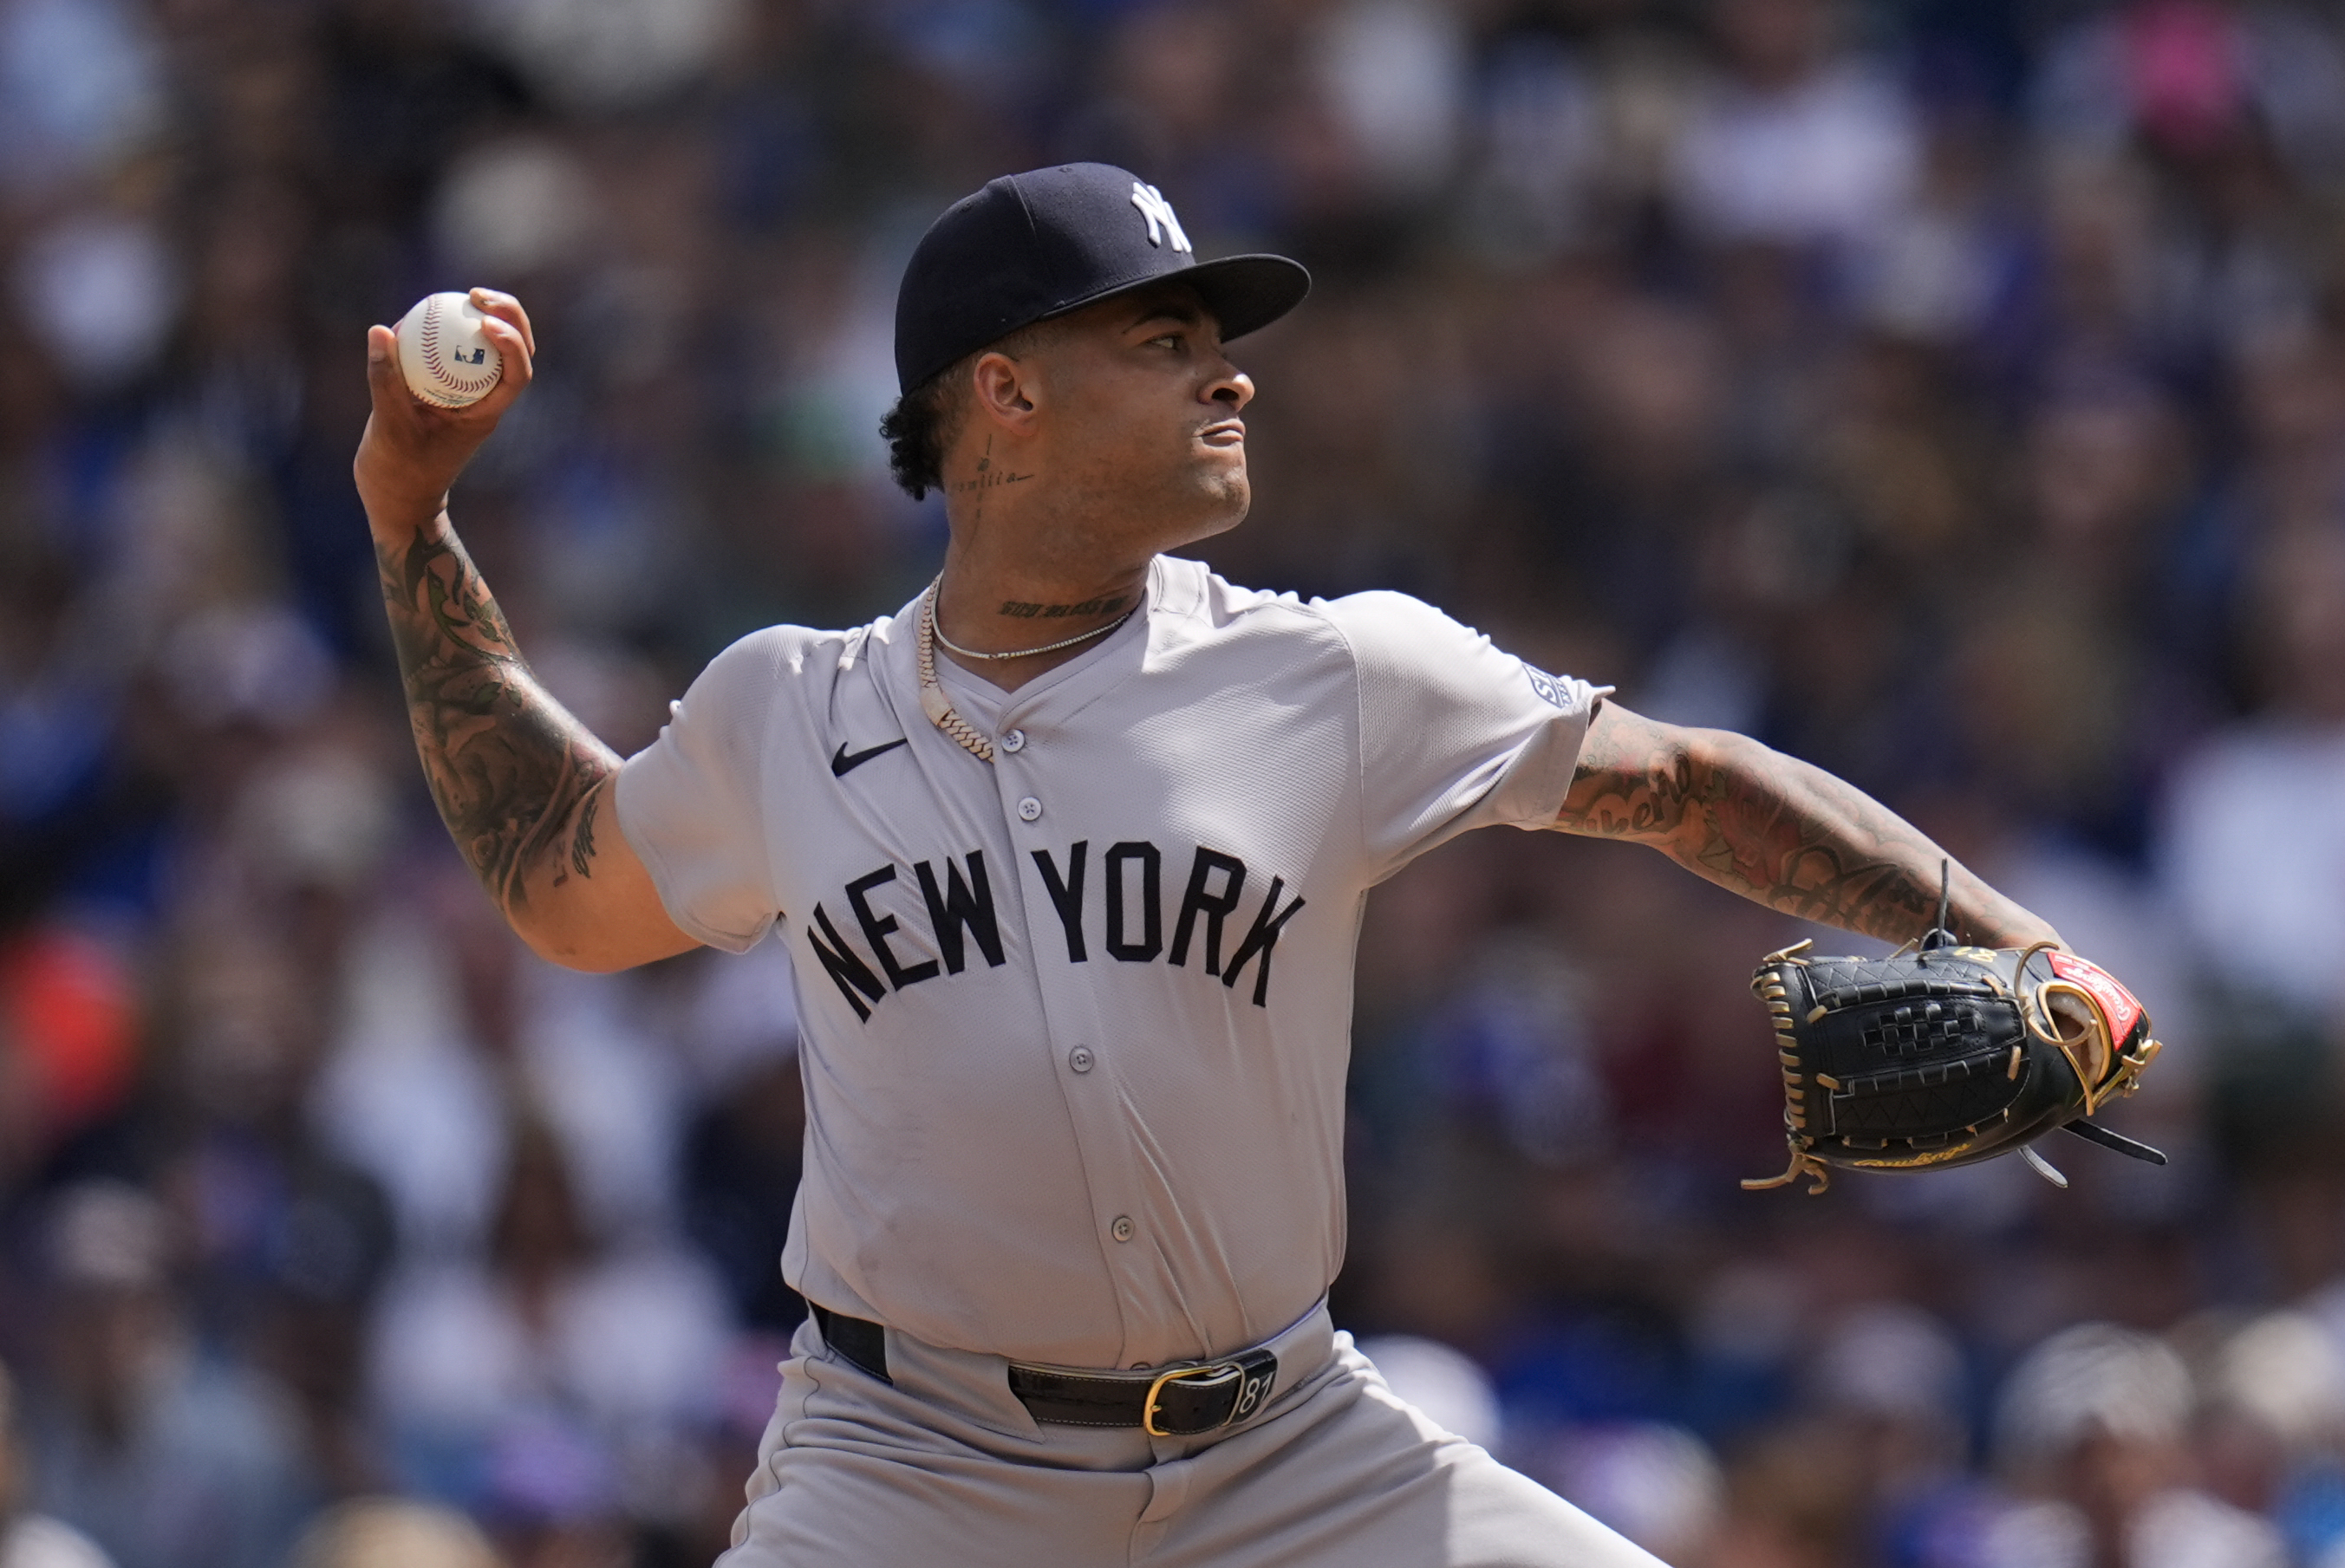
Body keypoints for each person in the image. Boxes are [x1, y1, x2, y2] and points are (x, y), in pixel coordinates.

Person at [352, 162, 2061, 1566]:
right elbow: (564, 880)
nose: (1230, 371)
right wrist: (414, 526)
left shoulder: (1341, 671)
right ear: (1003, 399)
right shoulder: (784, 708)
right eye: (1167, 339)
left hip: (1293, 1454)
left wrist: (2009, 946)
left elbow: (1689, 783)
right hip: (909, 1465)